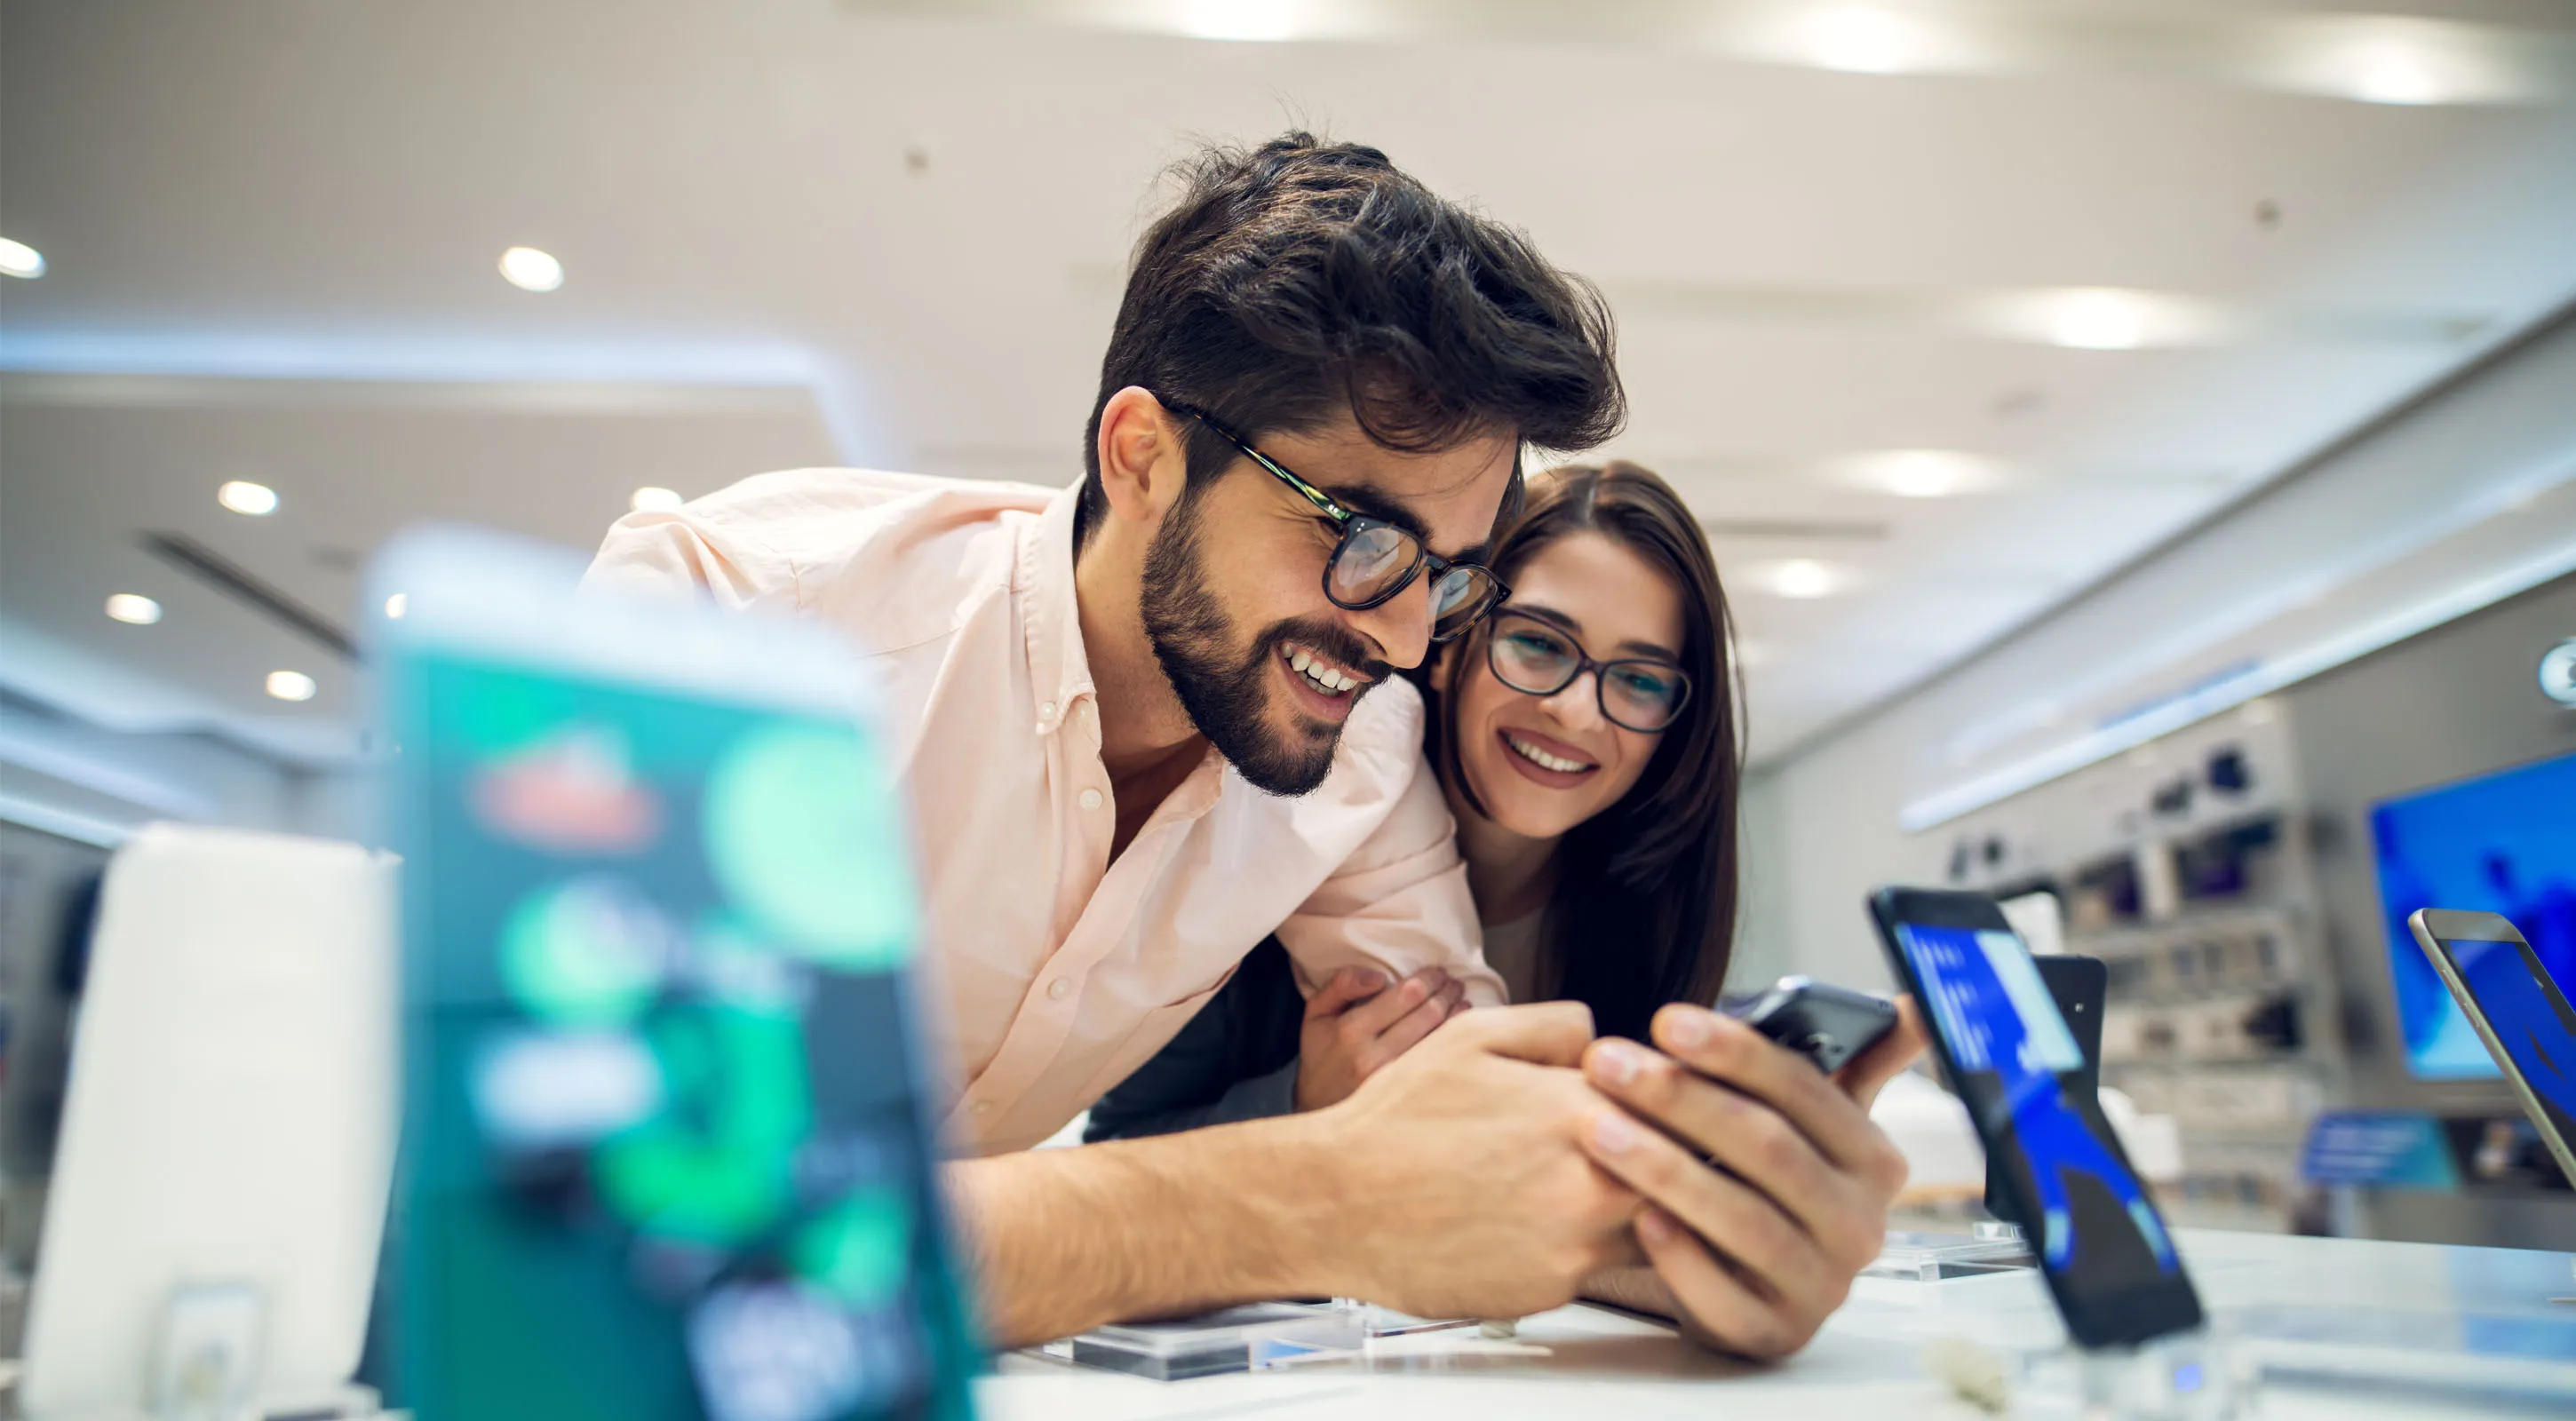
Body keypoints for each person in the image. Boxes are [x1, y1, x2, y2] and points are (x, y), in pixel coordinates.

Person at [585, 131, 1919, 1356]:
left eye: (1448, 574)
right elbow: (619, 1249)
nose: (1402, 635)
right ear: (1144, 457)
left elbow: (1473, 1116)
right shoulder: (726, 625)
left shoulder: (1364, 751)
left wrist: (1722, 1230)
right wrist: (1302, 1191)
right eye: (1358, 534)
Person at [1092, 462, 1923, 1343]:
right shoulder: (1283, 837)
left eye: (1638, 681)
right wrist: (1304, 1103)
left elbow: (1575, 1225)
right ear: (1446, 643)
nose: (1575, 710)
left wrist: (1731, 1220)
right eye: (1537, 643)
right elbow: (1106, 1168)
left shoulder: (1639, 916)